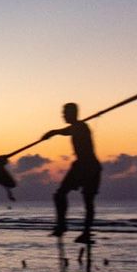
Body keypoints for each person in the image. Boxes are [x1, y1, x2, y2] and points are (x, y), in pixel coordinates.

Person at [42, 103, 102, 243]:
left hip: (87, 166)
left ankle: (76, 230)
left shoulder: (80, 127)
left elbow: (69, 130)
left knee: (82, 200)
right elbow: (67, 130)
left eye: (65, 113)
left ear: (72, 113)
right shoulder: (77, 127)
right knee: (64, 195)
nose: (63, 115)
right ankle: (67, 226)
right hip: (86, 166)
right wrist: (53, 132)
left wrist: (54, 132)